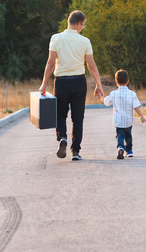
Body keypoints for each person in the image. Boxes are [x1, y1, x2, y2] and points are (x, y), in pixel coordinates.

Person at [39, 10, 104, 161]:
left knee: (60, 114)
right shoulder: (85, 41)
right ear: (79, 24)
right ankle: (75, 151)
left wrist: (43, 85)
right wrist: (98, 84)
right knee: (78, 118)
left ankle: (62, 138)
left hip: (61, 82)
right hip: (78, 82)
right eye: (83, 25)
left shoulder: (56, 38)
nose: (83, 27)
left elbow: (50, 63)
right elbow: (92, 66)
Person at [102, 69, 146, 159]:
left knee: (120, 135)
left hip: (118, 121)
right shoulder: (132, 94)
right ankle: (129, 151)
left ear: (116, 81)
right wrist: (141, 116)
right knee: (128, 135)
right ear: (127, 81)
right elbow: (136, 106)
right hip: (128, 120)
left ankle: (120, 147)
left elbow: (106, 102)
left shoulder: (113, 93)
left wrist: (100, 96)